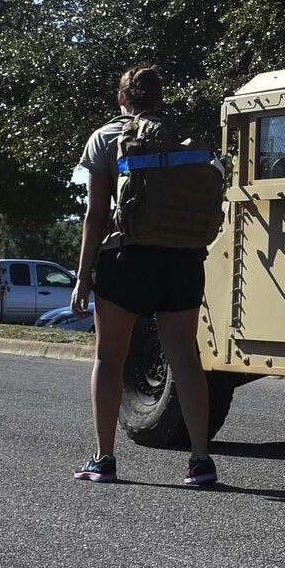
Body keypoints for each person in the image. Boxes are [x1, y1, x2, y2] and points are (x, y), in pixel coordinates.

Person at [71, 63, 218, 488]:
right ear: (159, 98)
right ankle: (201, 460)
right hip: (183, 258)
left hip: (127, 258)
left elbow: (96, 214)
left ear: (122, 99)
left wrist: (83, 275)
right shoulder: (183, 136)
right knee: (185, 360)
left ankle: (104, 458)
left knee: (109, 358)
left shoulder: (106, 137)